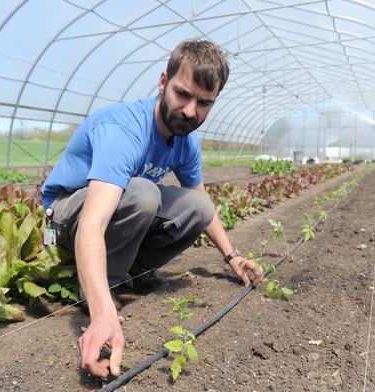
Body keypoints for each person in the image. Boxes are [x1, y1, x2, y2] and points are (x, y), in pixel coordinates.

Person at [40, 38, 263, 379]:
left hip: (110, 214)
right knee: (144, 194)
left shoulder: (186, 139)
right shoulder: (125, 130)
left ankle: (129, 271)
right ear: (162, 83)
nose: (190, 111)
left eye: (204, 102)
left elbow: (201, 201)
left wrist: (233, 255)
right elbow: (92, 224)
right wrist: (101, 314)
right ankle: (102, 291)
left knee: (198, 206)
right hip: (60, 220)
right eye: (182, 94)